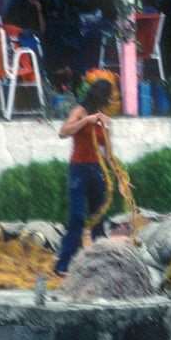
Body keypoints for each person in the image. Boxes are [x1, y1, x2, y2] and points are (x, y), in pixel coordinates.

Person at [54, 78, 114, 274]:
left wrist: (120, 178)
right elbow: (63, 132)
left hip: (97, 171)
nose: (112, 100)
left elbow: (108, 155)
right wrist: (86, 121)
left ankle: (100, 265)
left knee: (98, 219)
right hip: (78, 169)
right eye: (110, 96)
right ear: (102, 96)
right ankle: (63, 264)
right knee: (78, 218)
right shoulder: (80, 111)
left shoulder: (107, 121)